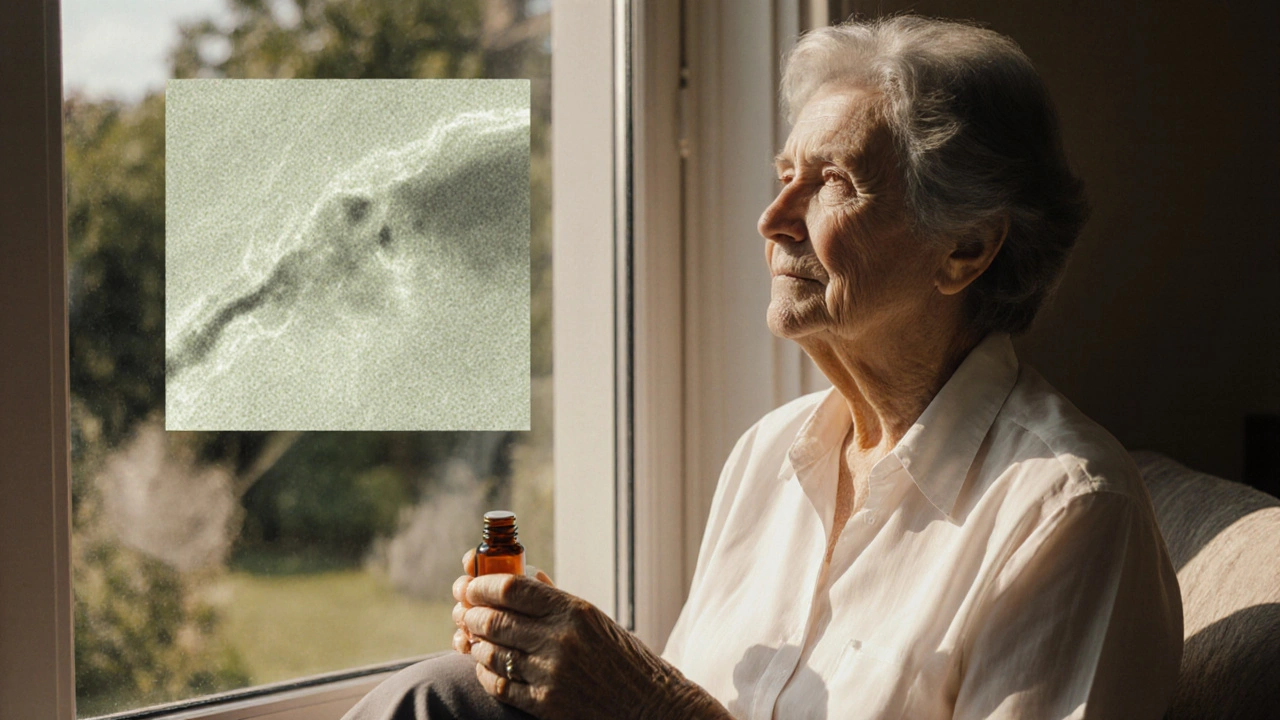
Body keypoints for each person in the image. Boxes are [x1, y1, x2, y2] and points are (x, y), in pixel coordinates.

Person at [343, 15, 1183, 720]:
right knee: (438, 697)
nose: (771, 218)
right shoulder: (769, 456)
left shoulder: (1066, 513)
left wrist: (650, 706)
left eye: (833, 184)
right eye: (785, 174)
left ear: (964, 248)